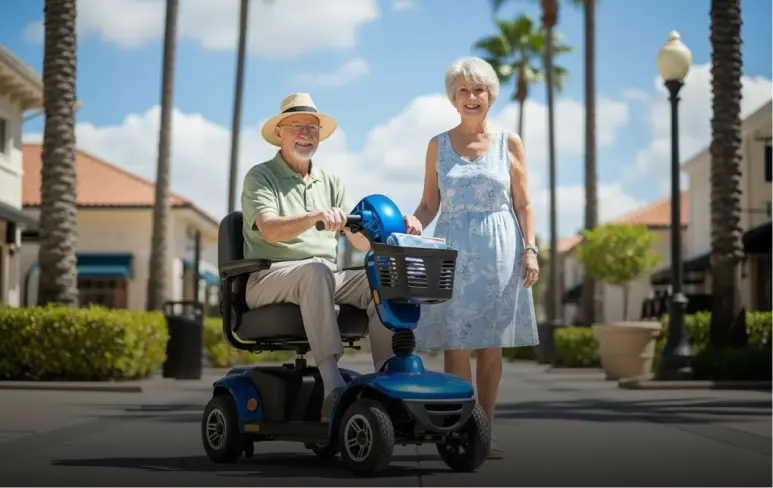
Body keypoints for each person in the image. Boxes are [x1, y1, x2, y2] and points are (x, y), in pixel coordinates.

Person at [402, 56, 541, 459]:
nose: (471, 96)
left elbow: (524, 202)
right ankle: (462, 429)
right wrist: (415, 220)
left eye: (478, 89)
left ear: (490, 95)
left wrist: (530, 249)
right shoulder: (437, 145)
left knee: (490, 345)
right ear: (453, 98)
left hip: (500, 249)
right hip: (451, 250)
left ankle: (487, 429)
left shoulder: (508, 142)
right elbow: (429, 204)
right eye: (463, 89)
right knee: (454, 344)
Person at [241, 93, 394, 422]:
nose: (306, 134)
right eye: (297, 126)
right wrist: (313, 217)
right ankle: (332, 385)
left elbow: (359, 240)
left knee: (381, 274)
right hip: (269, 276)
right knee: (315, 271)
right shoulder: (260, 176)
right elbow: (268, 229)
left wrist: (387, 226)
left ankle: (388, 378)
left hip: (326, 275)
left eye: (312, 128)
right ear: (280, 132)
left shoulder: (331, 182)